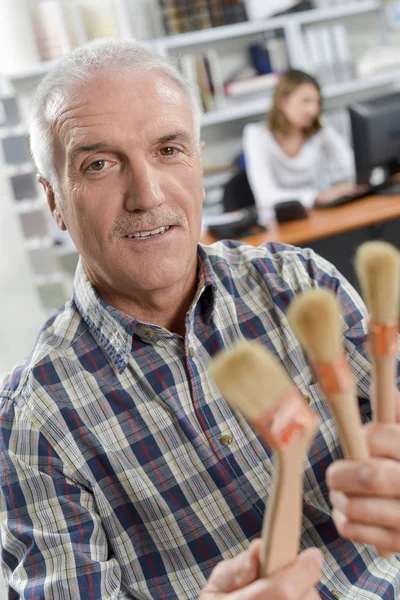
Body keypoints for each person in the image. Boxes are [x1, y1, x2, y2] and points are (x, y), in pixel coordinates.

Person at [0, 38, 399, 600]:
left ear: (198, 160)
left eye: (168, 150)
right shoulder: (32, 418)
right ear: (54, 202)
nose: (147, 193)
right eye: (99, 164)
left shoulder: (299, 283)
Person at [242, 69, 367, 219]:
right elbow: (266, 196)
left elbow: (351, 164)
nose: (314, 110)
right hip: (279, 222)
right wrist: (317, 196)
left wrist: (359, 181)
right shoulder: (256, 135)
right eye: (306, 101)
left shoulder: (319, 128)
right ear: (283, 102)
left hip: (314, 216)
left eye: (317, 102)